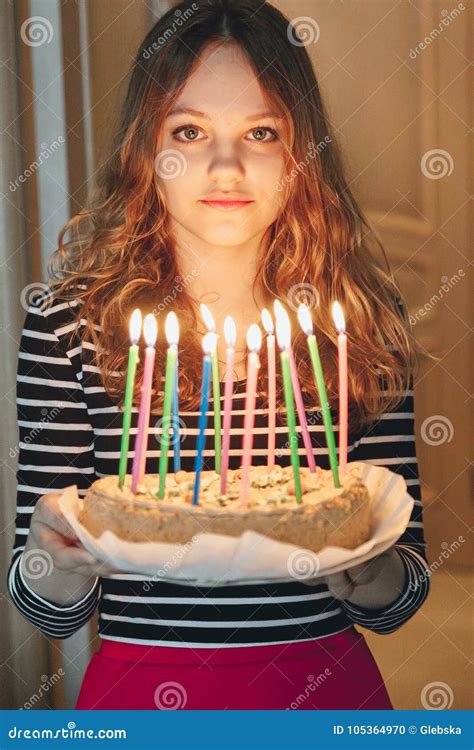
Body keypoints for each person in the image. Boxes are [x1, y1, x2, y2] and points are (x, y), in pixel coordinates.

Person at [7, 0, 431, 710]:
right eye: (190, 131)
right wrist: (54, 565)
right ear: (148, 148)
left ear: (300, 153)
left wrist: (373, 575)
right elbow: (50, 608)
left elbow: (401, 591)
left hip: (323, 692)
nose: (226, 166)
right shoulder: (70, 328)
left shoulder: (359, 326)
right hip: (141, 694)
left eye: (260, 132)